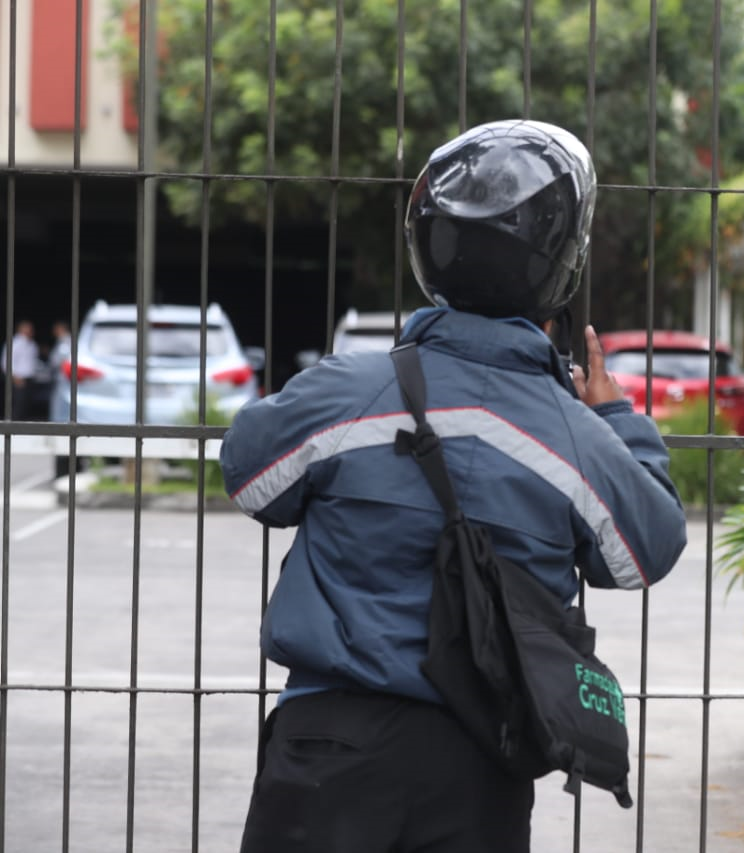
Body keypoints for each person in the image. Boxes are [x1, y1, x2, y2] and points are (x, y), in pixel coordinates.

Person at [220, 119, 687, 853]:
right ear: (562, 264)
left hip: (327, 745)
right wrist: (618, 418)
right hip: (479, 761)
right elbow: (646, 550)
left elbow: (248, 478)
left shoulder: (348, 392)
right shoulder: (576, 434)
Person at [1, 319, 39, 420]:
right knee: (18, 405)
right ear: (20, 329)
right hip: (18, 379)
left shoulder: (32, 344)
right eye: (28, 328)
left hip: (30, 379)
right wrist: (15, 377)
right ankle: (11, 428)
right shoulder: (15, 343)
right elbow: (6, 362)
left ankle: (23, 429)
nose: (30, 330)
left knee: (26, 405)